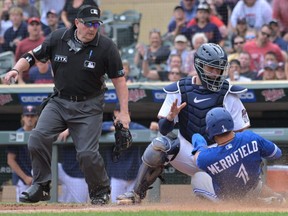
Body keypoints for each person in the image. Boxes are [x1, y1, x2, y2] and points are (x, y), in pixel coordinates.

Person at [3, 4, 130, 205]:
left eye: (96, 24)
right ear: (77, 23)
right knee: (37, 137)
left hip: (89, 106)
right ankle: (42, 185)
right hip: (60, 101)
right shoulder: (58, 37)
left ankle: (100, 191)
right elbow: (32, 56)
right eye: (88, 24)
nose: (92, 28)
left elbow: (119, 81)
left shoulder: (106, 46)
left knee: (87, 153)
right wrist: (16, 70)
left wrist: (124, 112)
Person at [116, 43, 250, 204]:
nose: (216, 73)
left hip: (218, 155)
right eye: (211, 68)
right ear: (199, 66)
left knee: (245, 154)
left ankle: (253, 194)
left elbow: (242, 132)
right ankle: (136, 193)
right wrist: (171, 118)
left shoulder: (229, 93)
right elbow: (163, 129)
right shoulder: (180, 89)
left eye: (219, 69)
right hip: (188, 152)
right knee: (159, 144)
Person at [191, 107, 285, 202]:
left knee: (197, 177)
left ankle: (226, 206)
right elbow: (277, 154)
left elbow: (197, 159)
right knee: (256, 181)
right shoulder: (250, 137)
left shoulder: (209, 156)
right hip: (253, 187)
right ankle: (273, 199)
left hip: (229, 198)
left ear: (210, 130)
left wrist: (200, 146)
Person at [101, 103, 148, 203]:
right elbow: (96, 128)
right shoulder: (107, 125)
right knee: (116, 205)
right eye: (119, 111)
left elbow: (149, 132)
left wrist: (154, 126)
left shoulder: (134, 126)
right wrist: (112, 128)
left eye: (125, 112)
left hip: (134, 175)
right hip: (116, 176)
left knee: (134, 205)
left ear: (129, 114)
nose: (121, 114)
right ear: (115, 113)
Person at [6, 105, 38, 202]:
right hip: (22, 179)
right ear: (23, 117)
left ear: (36, 118)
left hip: (36, 179)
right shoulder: (17, 134)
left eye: (32, 116)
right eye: (27, 115)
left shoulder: (39, 134)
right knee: (23, 206)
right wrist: (25, 177)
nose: (29, 118)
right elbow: (10, 160)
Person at [15, 17, 45, 84]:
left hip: (44, 77)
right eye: (32, 24)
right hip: (26, 79)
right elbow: (17, 63)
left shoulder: (46, 42)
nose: (35, 27)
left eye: (37, 24)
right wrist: (20, 80)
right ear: (28, 28)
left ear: (40, 27)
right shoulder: (21, 44)